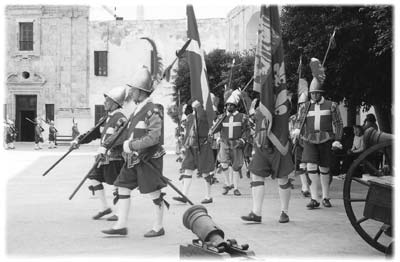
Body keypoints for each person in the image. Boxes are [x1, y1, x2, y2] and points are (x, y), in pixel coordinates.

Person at [102, 67, 167, 237]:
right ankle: (121, 225)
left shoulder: (153, 110)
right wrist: (107, 145)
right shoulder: (136, 110)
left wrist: (132, 146)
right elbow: (124, 132)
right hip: (132, 159)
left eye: (133, 90)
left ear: (141, 92)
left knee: (154, 192)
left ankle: (158, 227)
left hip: (148, 158)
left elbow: (154, 137)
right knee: (122, 187)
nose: (130, 92)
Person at [293, 58, 343, 209]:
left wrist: (337, 139)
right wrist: (296, 130)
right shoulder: (305, 107)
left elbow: (338, 123)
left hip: (326, 139)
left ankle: (326, 196)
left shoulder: (331, 105)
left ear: (321, 93)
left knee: (324, 169)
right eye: (312, 93)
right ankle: (314, 198)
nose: (314, 96)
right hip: (309, 139)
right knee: (310, 168)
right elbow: (299, 121)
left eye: (316, 93)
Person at [71, 86, 127, 221]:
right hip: (102, 158)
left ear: (115, 104)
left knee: (118, 184)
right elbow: (93, 133)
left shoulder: (121, 119)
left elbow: (122, 137)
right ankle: (104, 208)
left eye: (107, 101)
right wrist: (79, 140)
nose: (104, 103)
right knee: (94, 178)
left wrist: (107, 147)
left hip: (115, 158)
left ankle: (120, 213)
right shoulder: (106, 118)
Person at [240, 97, 294, 223]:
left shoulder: (283, 98)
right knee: (256, 176)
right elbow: (253, 118)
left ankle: (284, 212)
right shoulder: (260, 100)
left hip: (279, 144)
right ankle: (256, 213)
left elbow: (287, 110)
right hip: (261, 145)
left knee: (283, 178)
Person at [173, 97, 216, 204]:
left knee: (206, 172)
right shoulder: (191, 117)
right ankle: (184, 196)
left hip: (203, 147)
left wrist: (199, 107)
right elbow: (188, 133)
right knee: (188, 169)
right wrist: (184, 146)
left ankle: (208, 196)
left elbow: (202, 116)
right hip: (192, 147)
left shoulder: (205, 116)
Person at [210, 89, 249, 196]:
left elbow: (246, 130)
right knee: (223, 163)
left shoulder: (242, 117)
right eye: (227, 105)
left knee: (236, 166)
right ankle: (227, 184)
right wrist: (217, 136)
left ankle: (236, 187)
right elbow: (215, 129)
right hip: (224, 142)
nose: (229, 107)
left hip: (237, 143)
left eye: (231, 105)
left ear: (236, 106)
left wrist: (243, 140)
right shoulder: (222, 117)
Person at [289, 91, 311, 197]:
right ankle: (304, 187)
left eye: (304, 103)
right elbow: (290, 130)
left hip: (310, 142)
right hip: (298, 143)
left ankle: (310, 186)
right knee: (301, 166)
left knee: (310, 166)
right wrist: (294, 135)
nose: (302, 105)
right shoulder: (293, 118)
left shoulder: (311, 115)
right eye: (301, 104)